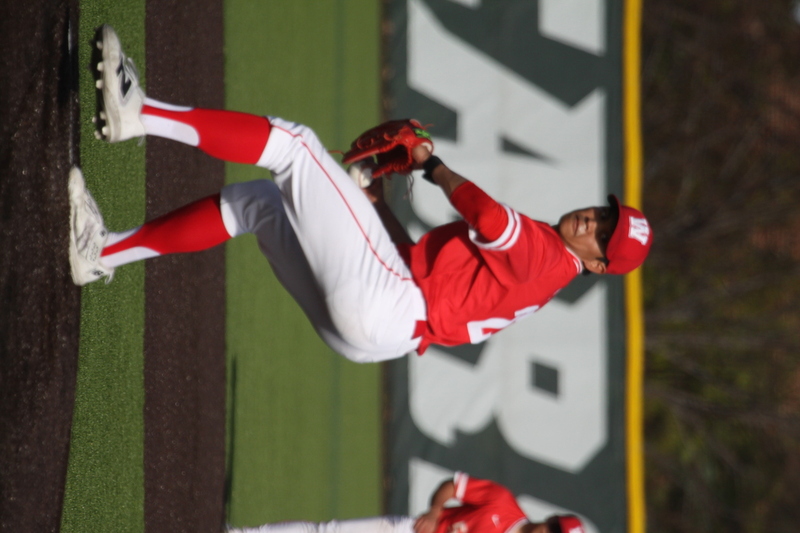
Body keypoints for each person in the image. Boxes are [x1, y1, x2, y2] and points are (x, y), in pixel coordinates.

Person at [70, 25, 653, 363]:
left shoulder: (548, 255)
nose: (592, 222)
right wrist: (377, 207)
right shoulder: (544, 269)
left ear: (598, 265)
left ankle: (140, 113)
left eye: (603, 236)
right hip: (380, 331)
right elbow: (423, 268)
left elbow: (488, 217)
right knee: (261, 206)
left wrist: (431, 165)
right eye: (604, 215)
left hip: (390, 304)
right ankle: (102, 253)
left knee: (295, 146)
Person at [225, 472, 586, 533]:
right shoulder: (502, 502)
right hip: (410, 530)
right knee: (327, 532)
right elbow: (452, 485)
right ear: (552, 518)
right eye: (555, 529)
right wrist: (434, 511)